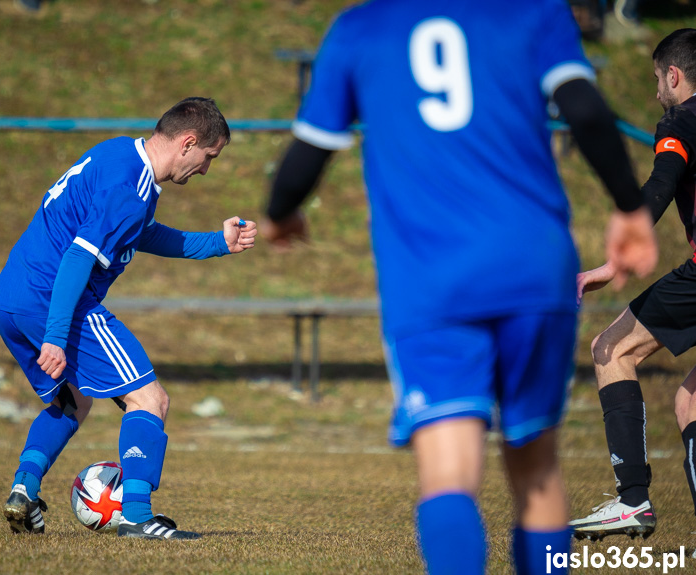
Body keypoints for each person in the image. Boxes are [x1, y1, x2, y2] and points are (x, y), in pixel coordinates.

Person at [261, 2, 657, 573]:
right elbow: (587, 110)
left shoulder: (361, 28)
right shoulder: (532, 12)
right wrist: (628, 207)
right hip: (533, 269)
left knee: (449, 473)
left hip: (431, 281)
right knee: (536, 467)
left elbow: (308, 151)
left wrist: (279, 214)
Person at [0, 97, 257, 540]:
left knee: (72, 401)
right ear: (188, 143)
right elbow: (78, 257)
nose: (207, 169)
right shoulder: (131, 190)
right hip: (53, 299)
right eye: (209, 157)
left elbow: (143, 233)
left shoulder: (117, 155)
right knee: (150, 400)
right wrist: (56, 336)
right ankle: (136, 515)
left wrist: (217, 242)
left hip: (11, 298)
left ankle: (25, 488)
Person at [570, 29, 696, 542]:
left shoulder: (684, 121)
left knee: (610, 349)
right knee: (690, 400)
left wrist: (616, 259)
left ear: (674, 75)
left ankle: (632, 501)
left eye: (656, 81)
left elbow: (662, 181)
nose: (656, 94)